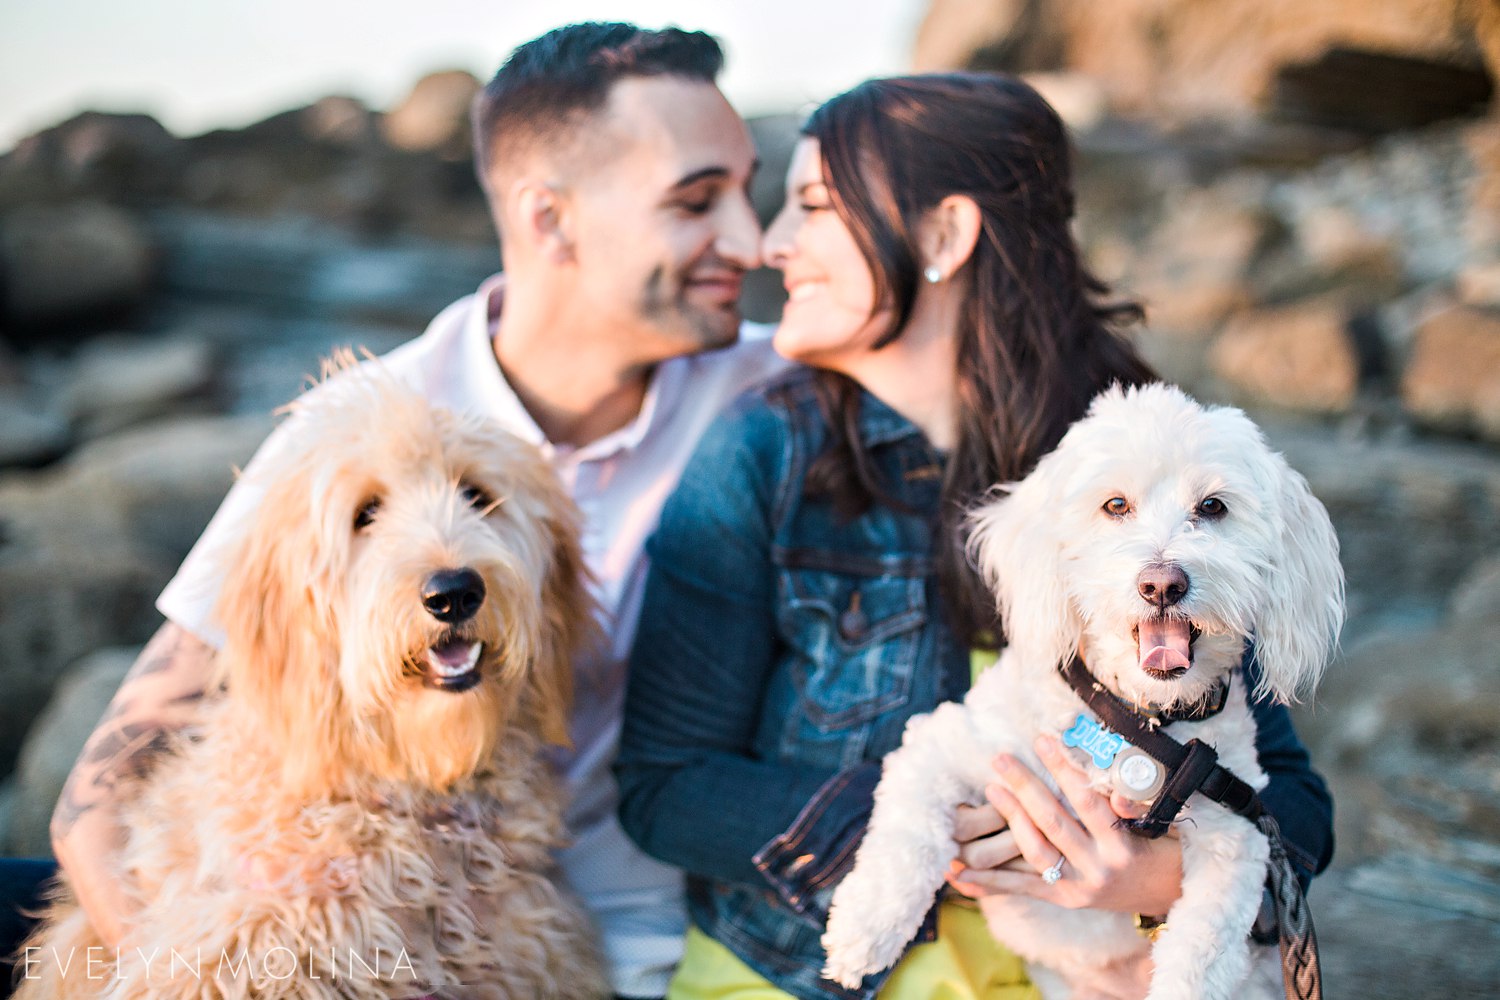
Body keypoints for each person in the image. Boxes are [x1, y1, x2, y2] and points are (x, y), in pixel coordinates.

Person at [36, 22, 788, 1000]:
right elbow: (98, 795)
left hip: (620, 944)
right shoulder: (345, 434)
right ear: (549, 218)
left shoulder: (778, 382)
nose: (750, 241)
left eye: (749, 190)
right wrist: (209, 963)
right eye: (696, 202)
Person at [614, 73, 1333, 1000]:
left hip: (1078, 973)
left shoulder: (1129, 459)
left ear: (944, 236)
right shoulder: (762, 453)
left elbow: (1294, 803)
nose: (772, 244)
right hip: (801, 973)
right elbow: (665, 786)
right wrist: (941, 823)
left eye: (814, 208)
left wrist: (1151, 879)